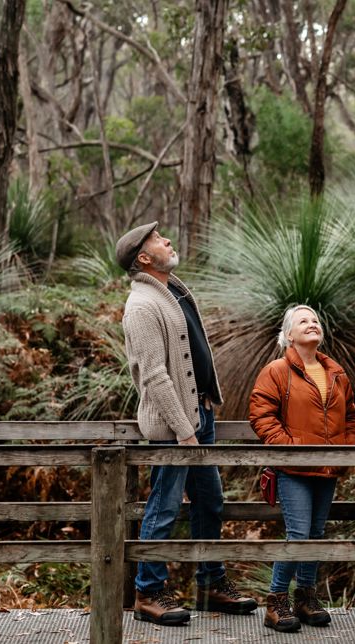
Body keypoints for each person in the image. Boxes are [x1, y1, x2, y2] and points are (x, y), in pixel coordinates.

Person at [117, 221, 258, 625]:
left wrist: (204, 408)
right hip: (175, 425)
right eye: (158, 241)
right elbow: (155, 375)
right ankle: (149, 592)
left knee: (210, 502)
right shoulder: (141, 305)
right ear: (144, 258)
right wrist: (183, 429)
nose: (167, 241)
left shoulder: (172, 291)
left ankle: (211, 583)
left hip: (199, 415)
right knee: (163, 506)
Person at [248, 305, 355, 632]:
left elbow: (352, 417)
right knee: (298, 533)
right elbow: (261, 415)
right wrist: (289, 448)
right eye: (303, 321)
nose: (311, 324)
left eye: (315, 320)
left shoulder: (336, 372)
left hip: (328, 468)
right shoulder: (277, 370)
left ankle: (306, 597)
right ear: (288, 335)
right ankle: (276, 601)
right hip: (293, 469)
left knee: (316, 533)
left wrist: (348, 451)